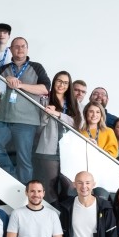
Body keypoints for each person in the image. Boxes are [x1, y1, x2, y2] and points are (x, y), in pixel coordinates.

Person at [0, 37, 50, 184]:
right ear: (10, 49)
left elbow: (44, 89)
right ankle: (13, 176)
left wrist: (20, 85)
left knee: (24, 159)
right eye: (16, 46)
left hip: (26, 121)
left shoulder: (37, 67)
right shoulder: (4, 69)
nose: (20, 49)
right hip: (3, 118)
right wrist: (6, 79)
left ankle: (25, 190)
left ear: (27, 49)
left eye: (23, 46)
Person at [34, 70, 82, 205]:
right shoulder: (44, 98)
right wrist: (46, 115)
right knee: (51, 185)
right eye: (59, 81)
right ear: (54, 81)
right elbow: (38, 126)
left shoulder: (74, 102)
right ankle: (54, 213)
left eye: (66, 83)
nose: (62, 85)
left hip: (68, 149)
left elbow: (79, 124)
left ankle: (64, 213)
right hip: (49, 148)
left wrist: (58, 114)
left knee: (68, 186)